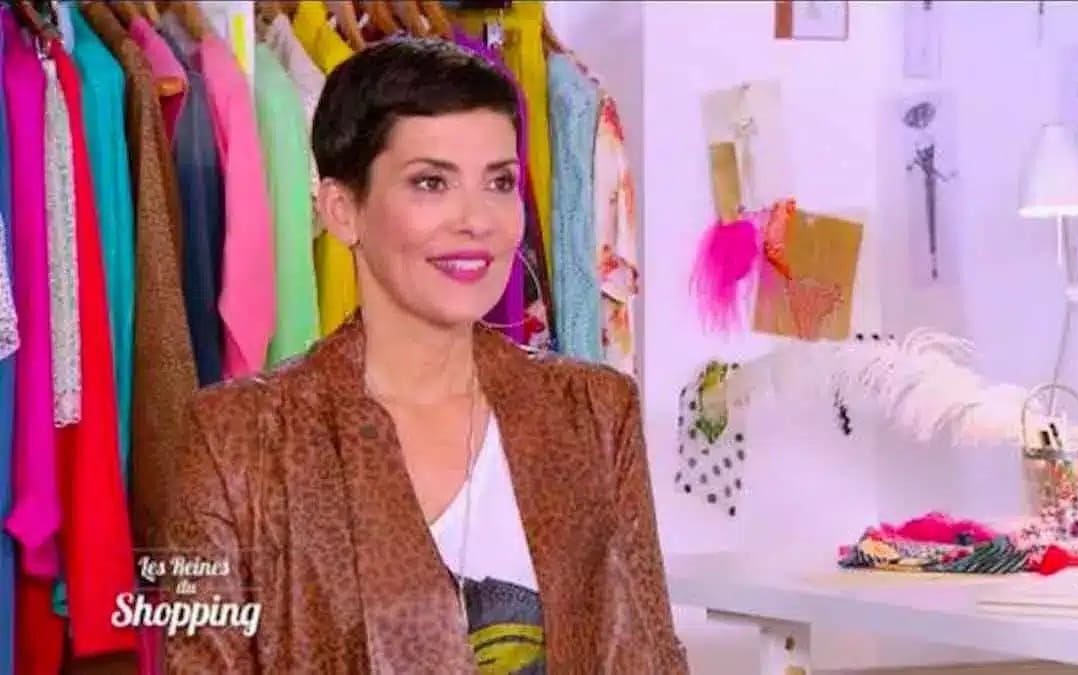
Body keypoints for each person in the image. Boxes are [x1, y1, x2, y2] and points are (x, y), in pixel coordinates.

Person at [157, 38, 688, 673]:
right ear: (342, 210)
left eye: (500, 182)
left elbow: (651, 656)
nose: (477, 220)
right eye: (431, 183)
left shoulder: (595, 412)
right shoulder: (238, 440)